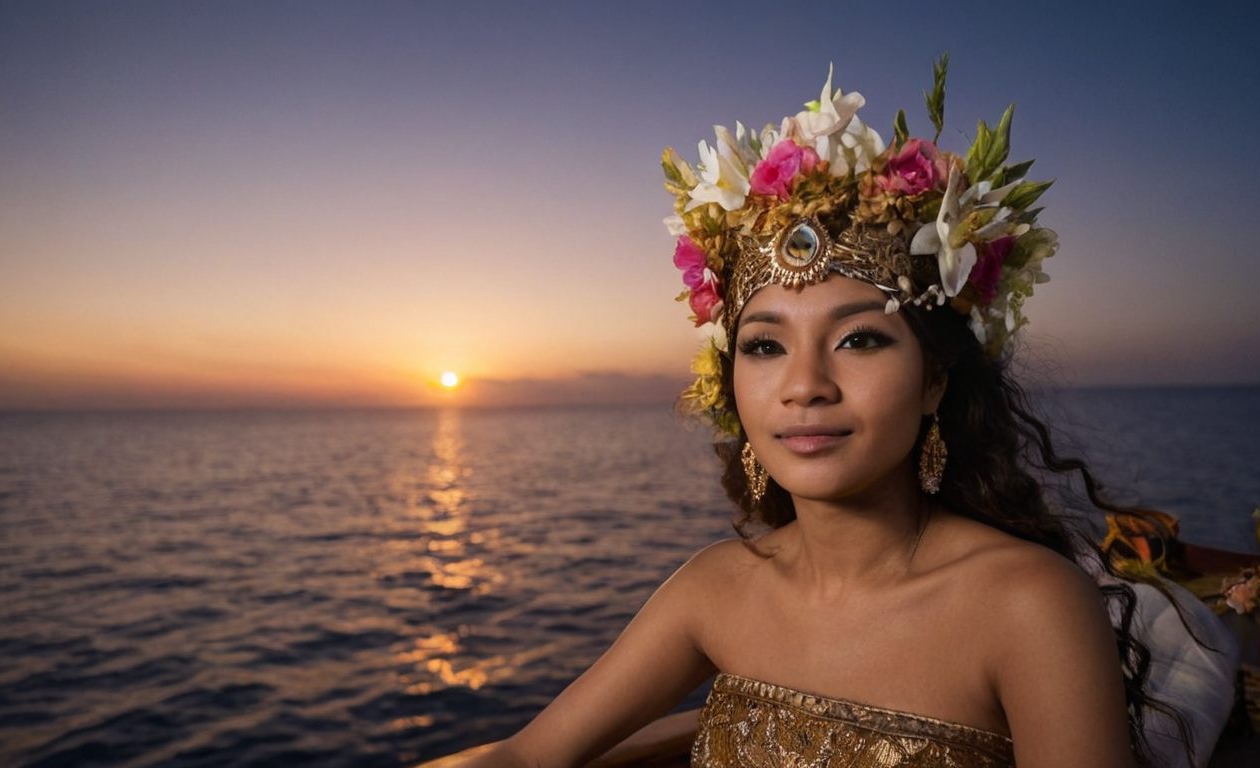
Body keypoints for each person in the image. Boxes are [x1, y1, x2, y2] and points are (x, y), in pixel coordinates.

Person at [462, 59, 1213, 768]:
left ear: (934, 381)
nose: (805, 386)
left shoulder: (1031, 605)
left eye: (858, 339)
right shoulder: (715, 589)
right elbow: (529, 754)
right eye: (764, 347)